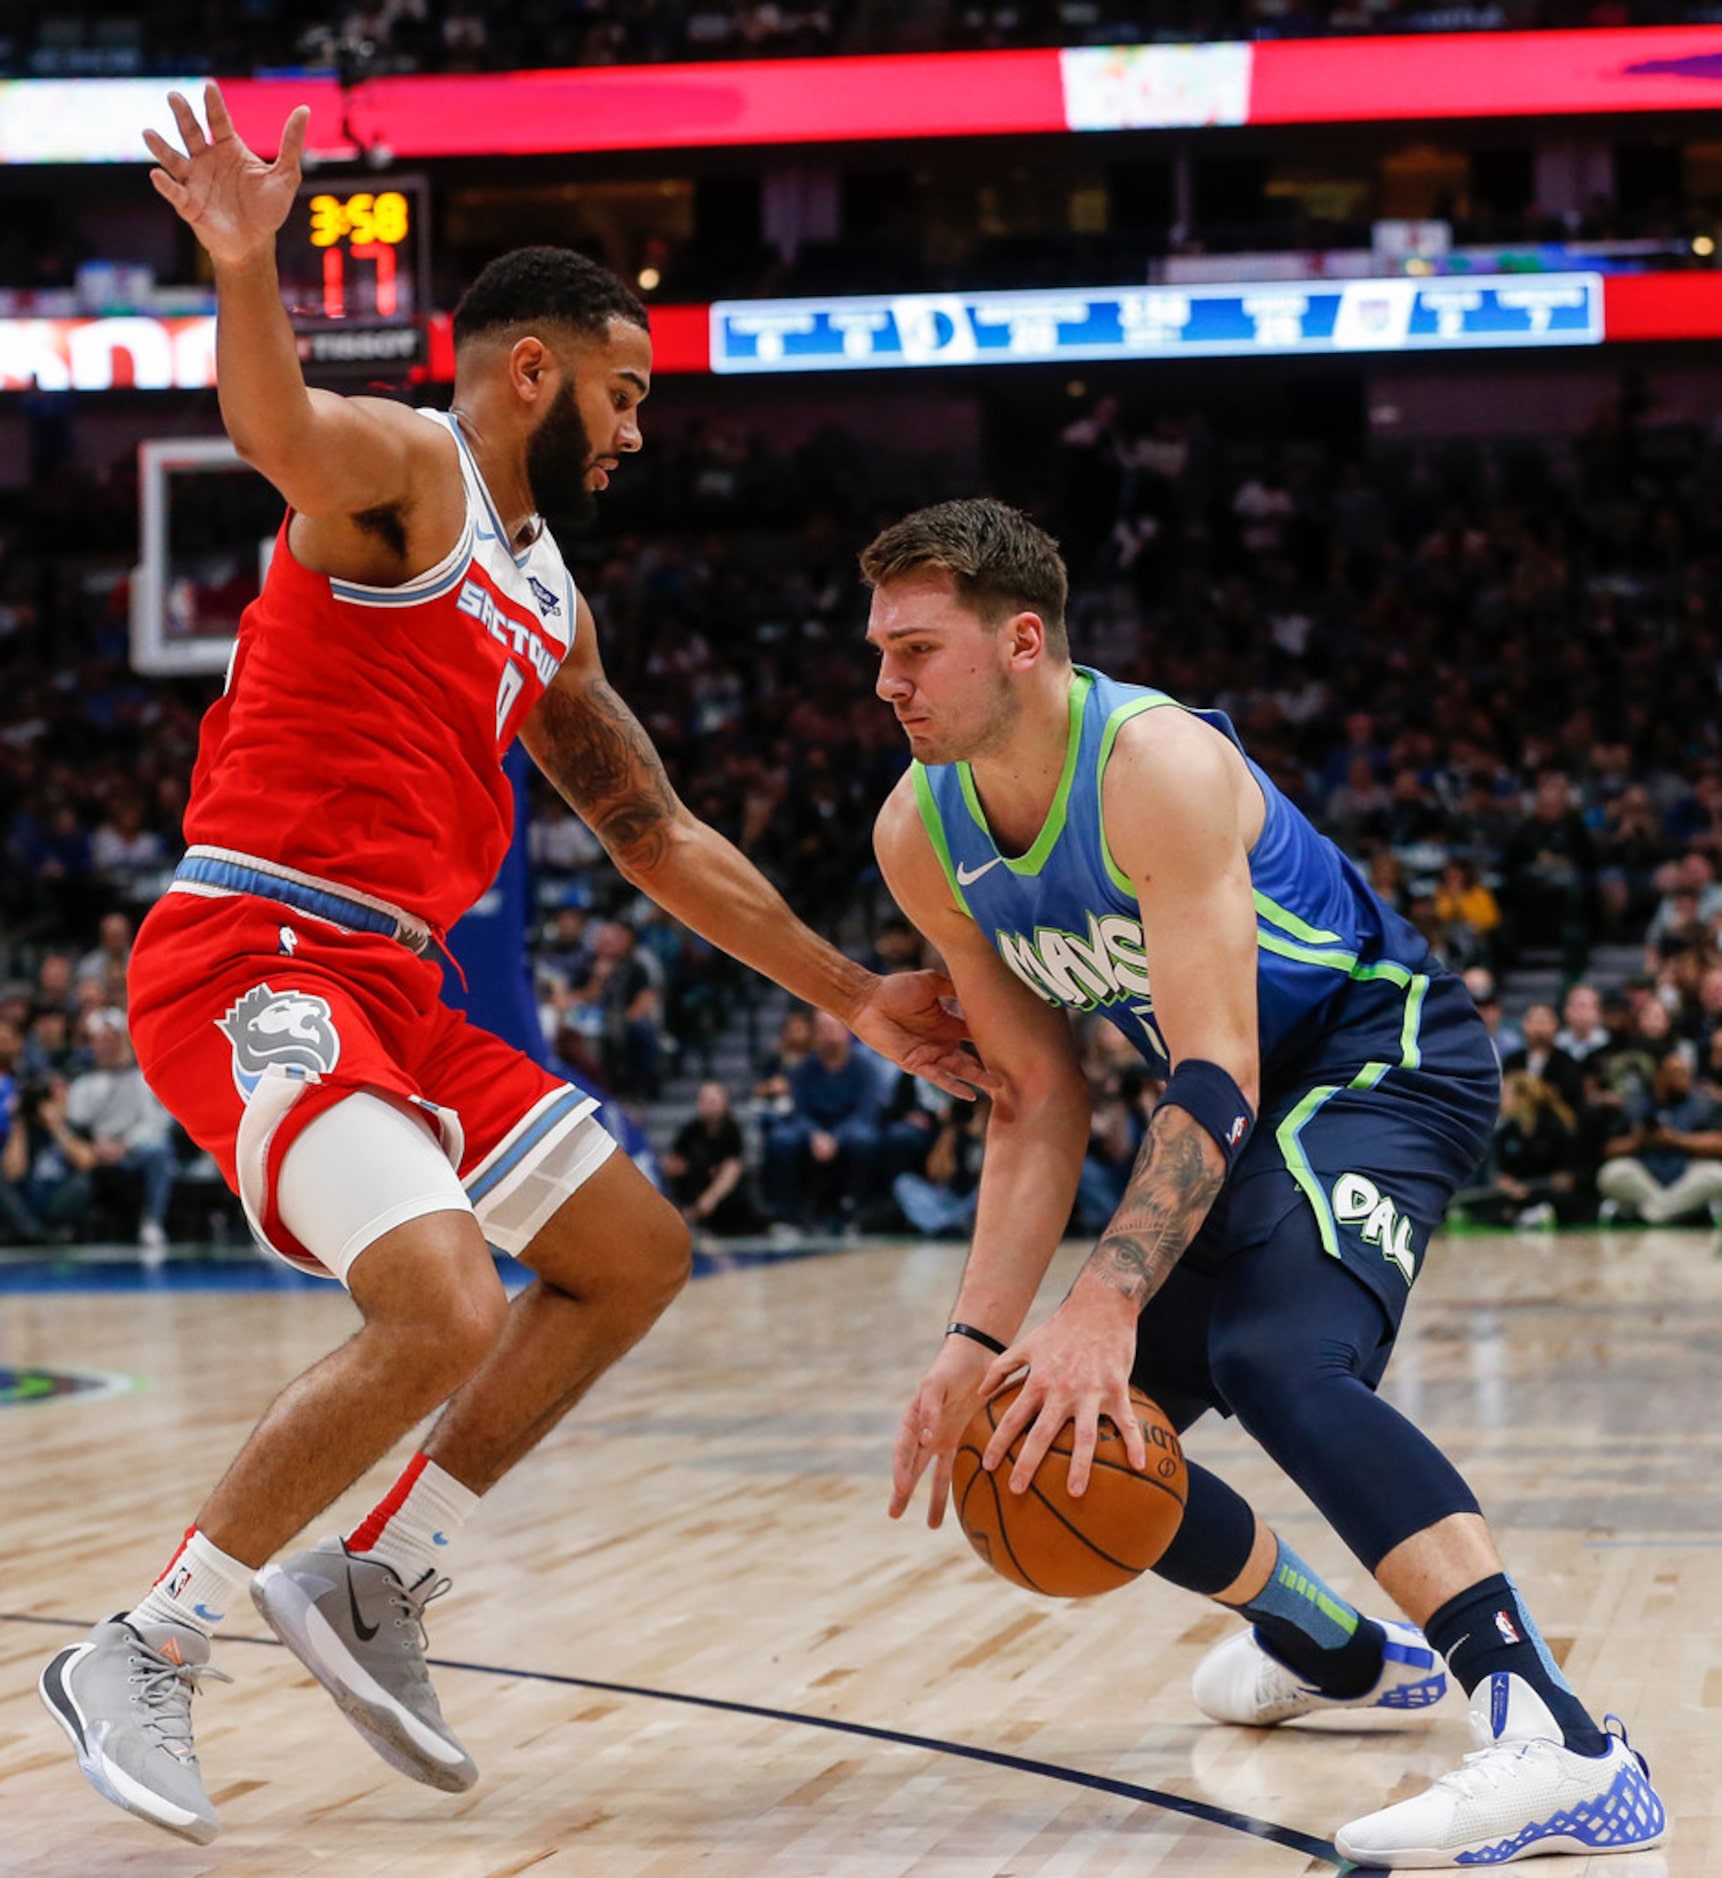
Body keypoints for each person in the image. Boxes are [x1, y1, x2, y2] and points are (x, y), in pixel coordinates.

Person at [39, 85, 988, 1848]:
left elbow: (657, 831)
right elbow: (269, 422)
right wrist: (246, 267)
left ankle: (376, 1566)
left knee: (628, 1254)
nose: (637, 433)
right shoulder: (405, 471)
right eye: (626, 392)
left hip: (397, 985)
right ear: (537, 371)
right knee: (442, 1303)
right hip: (257, 946)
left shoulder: (549, 600)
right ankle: (140, 1644)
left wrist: (851, 994)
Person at [864, 498, 1665, 1869]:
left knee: (1278, 1354)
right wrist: (973, 1341)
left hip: (1372, 1052)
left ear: (1020, 641)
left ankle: (1560, 1740)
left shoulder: (1151, 765)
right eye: (877, 650)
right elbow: (1037, 1100)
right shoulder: (918, 831)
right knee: (1035, 1432)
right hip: (1231, 1101)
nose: (886, 683)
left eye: (917, 650)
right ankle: (1330, 1645)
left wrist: (1109, 1290)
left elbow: (1217, 1068)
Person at [1596, 1048, 1722, 1226]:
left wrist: (1675, 1139)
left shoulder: (1703, 1104)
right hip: (1644, 1174)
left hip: (1687, 1173)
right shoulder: (1634, 1104)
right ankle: (1671, 1211)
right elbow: (1609, 1149)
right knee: (1611, 1174)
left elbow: (1718, 1144)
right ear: (1659, 1076)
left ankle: (1654, 1213)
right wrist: (1637, 1140)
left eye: (1687, 1073)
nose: (1686, 1079)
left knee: (1717, 1175)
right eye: (1678, 1074)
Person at [661, 1080, 762, 1235]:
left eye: (714, 1102)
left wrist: (710, 1198)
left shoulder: (731, 1131)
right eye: (705, 1101)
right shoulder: (690, 1130)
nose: (710, 1107)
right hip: (694, 1189)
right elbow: (673, 1162)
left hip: (721, 1197)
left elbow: (732, 1168)